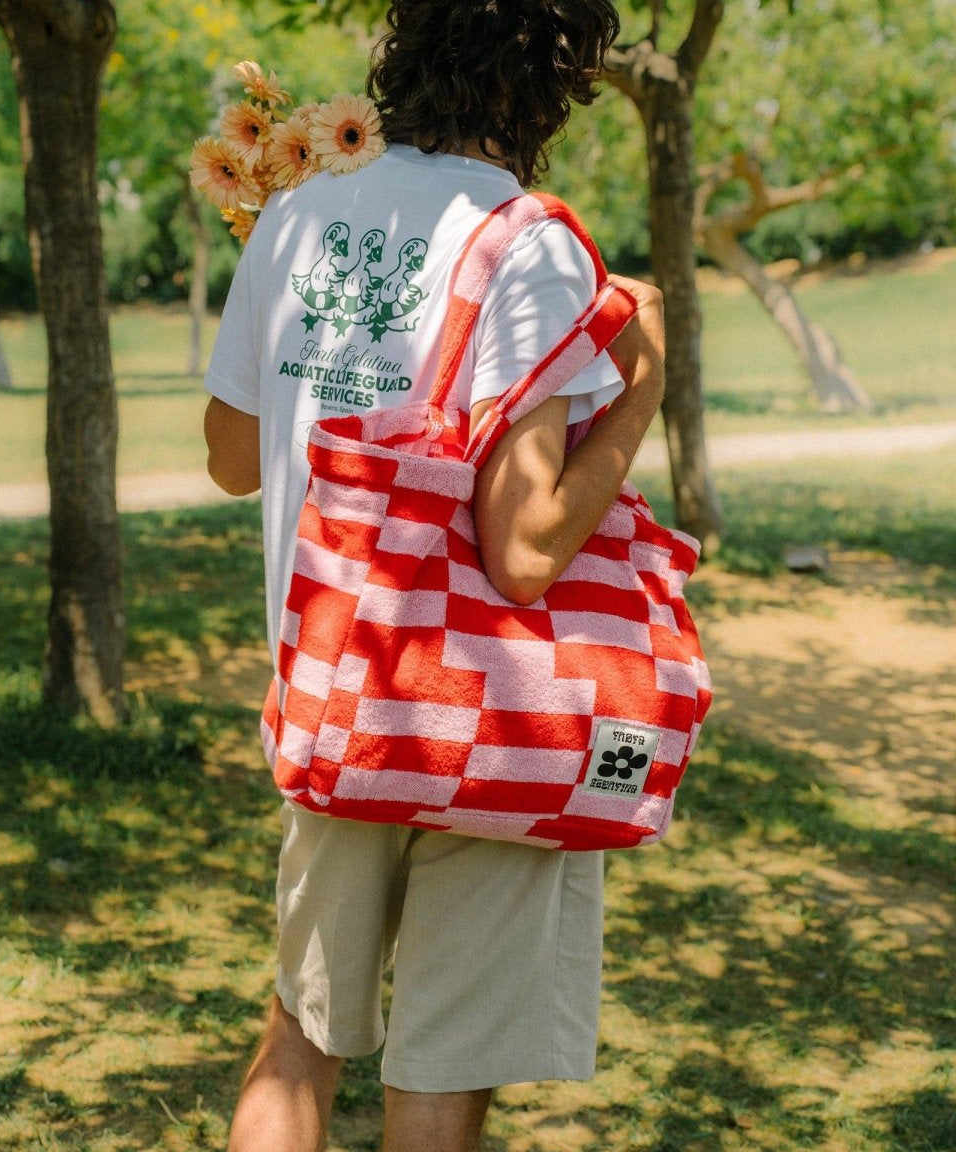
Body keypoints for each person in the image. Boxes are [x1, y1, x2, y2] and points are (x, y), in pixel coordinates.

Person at [203, 3, 665, 1149]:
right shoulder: (529, 242)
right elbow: (523, 548)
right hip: (483, 719)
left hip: (333, 698)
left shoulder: (298, 213)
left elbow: (226, 458)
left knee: (302, 1036)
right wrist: (642, 383)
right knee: (441, 1070)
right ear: (551, 82)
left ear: (404, 59)